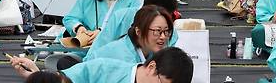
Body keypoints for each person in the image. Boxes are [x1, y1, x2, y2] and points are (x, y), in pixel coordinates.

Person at [10, 47, 194, 83]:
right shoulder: (103, 68)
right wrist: (35, 74)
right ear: (152, 67)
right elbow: (65, 80)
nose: (161, 37)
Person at [88, 0, 179, 53]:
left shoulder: (171, 32)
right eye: (157, 30)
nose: (162, 36)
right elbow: (96, 52)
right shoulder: (121, 17)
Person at [85, 5, 173, 64]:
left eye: (166, 31)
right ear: (139, 32)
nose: (163, 37)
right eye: (157, 31)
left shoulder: (149, 51)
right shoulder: (123, 58)